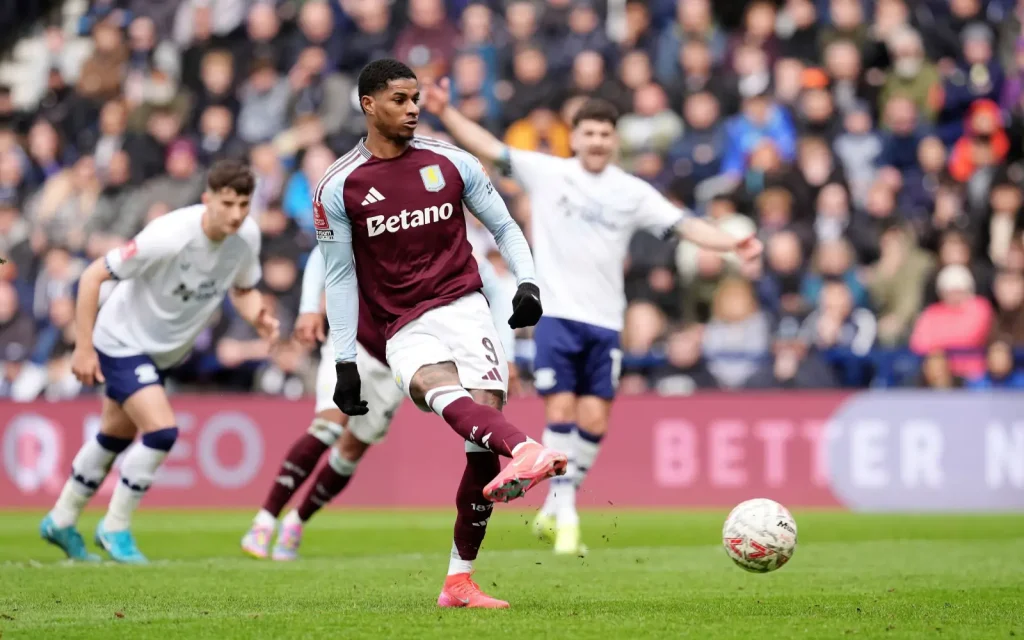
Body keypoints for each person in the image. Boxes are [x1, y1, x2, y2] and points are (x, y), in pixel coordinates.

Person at [422, 80, 763, 556]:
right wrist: (446, 111)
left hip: (606, 321)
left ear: (614, 139)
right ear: (575, 136)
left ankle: (556, 507)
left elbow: (684, 225)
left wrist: (734, 243)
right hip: (557, 315)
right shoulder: (549, 173)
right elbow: (490, 147)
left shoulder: (631, 192)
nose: (598, 141)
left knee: (595, 421)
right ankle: (567, 518)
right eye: (589, 133)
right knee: (560, 410)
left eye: (606, 134)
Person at [315, 59, 566, 609]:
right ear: (368, 105)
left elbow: (504, 226)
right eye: (400, 100)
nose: (413, 109)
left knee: (481, 449)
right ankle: (527, 448)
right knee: (437, 388)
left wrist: (528, 283)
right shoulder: (339, 185)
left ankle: (458, 582)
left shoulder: (451, 162)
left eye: (416, 99)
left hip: (468, 309)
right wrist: (344, 362)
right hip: (400, 325)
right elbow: (338, 277)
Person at [39, 160, 279, 564]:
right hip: (122, 341)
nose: (237, 214)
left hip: (163, 351)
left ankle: (61, 519)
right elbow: (92, 276)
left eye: (243, 204)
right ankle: (115, 527)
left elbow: (242, 288)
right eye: (228, 203)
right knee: (162, 431)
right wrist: (82, 348)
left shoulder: (246, 237)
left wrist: (258, 314)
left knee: (114, 435)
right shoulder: (168, 236)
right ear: (207, 200)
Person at [240, 245, 517, 561]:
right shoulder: (382, 219)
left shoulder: (448, 244)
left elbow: (493, 287)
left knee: (349, 453)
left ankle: (296, 520)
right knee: (328, 427)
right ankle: (264, 520)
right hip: (352, 345)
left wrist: (503, 352)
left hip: (396, 363)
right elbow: (323, 252)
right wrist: (308, 306)